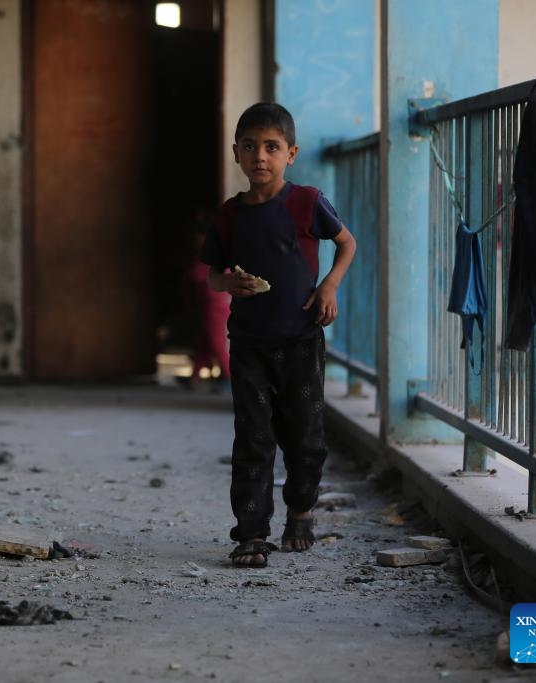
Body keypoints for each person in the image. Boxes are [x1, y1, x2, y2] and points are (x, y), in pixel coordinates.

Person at [198, 102, 357, 568]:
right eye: (250, 147)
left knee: (306, 436)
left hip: (301, 340)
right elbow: (211, 275)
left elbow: (346, 242)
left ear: (291, 153)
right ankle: (251, 533)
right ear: (236, 154)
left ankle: (301, 511)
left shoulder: (307, 201)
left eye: (271, 147)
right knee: (253, 438)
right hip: (248, 343)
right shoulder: (230, 216)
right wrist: (229, 283)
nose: (260, 157)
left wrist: (329, 284)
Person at [188, 208, 232, 390]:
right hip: (209, 301)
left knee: (216, 341)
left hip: (215, 302)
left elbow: (199, 276)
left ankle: (229, 378)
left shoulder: (212, 255)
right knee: (205, 341)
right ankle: (195, 376)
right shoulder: (207, 254)